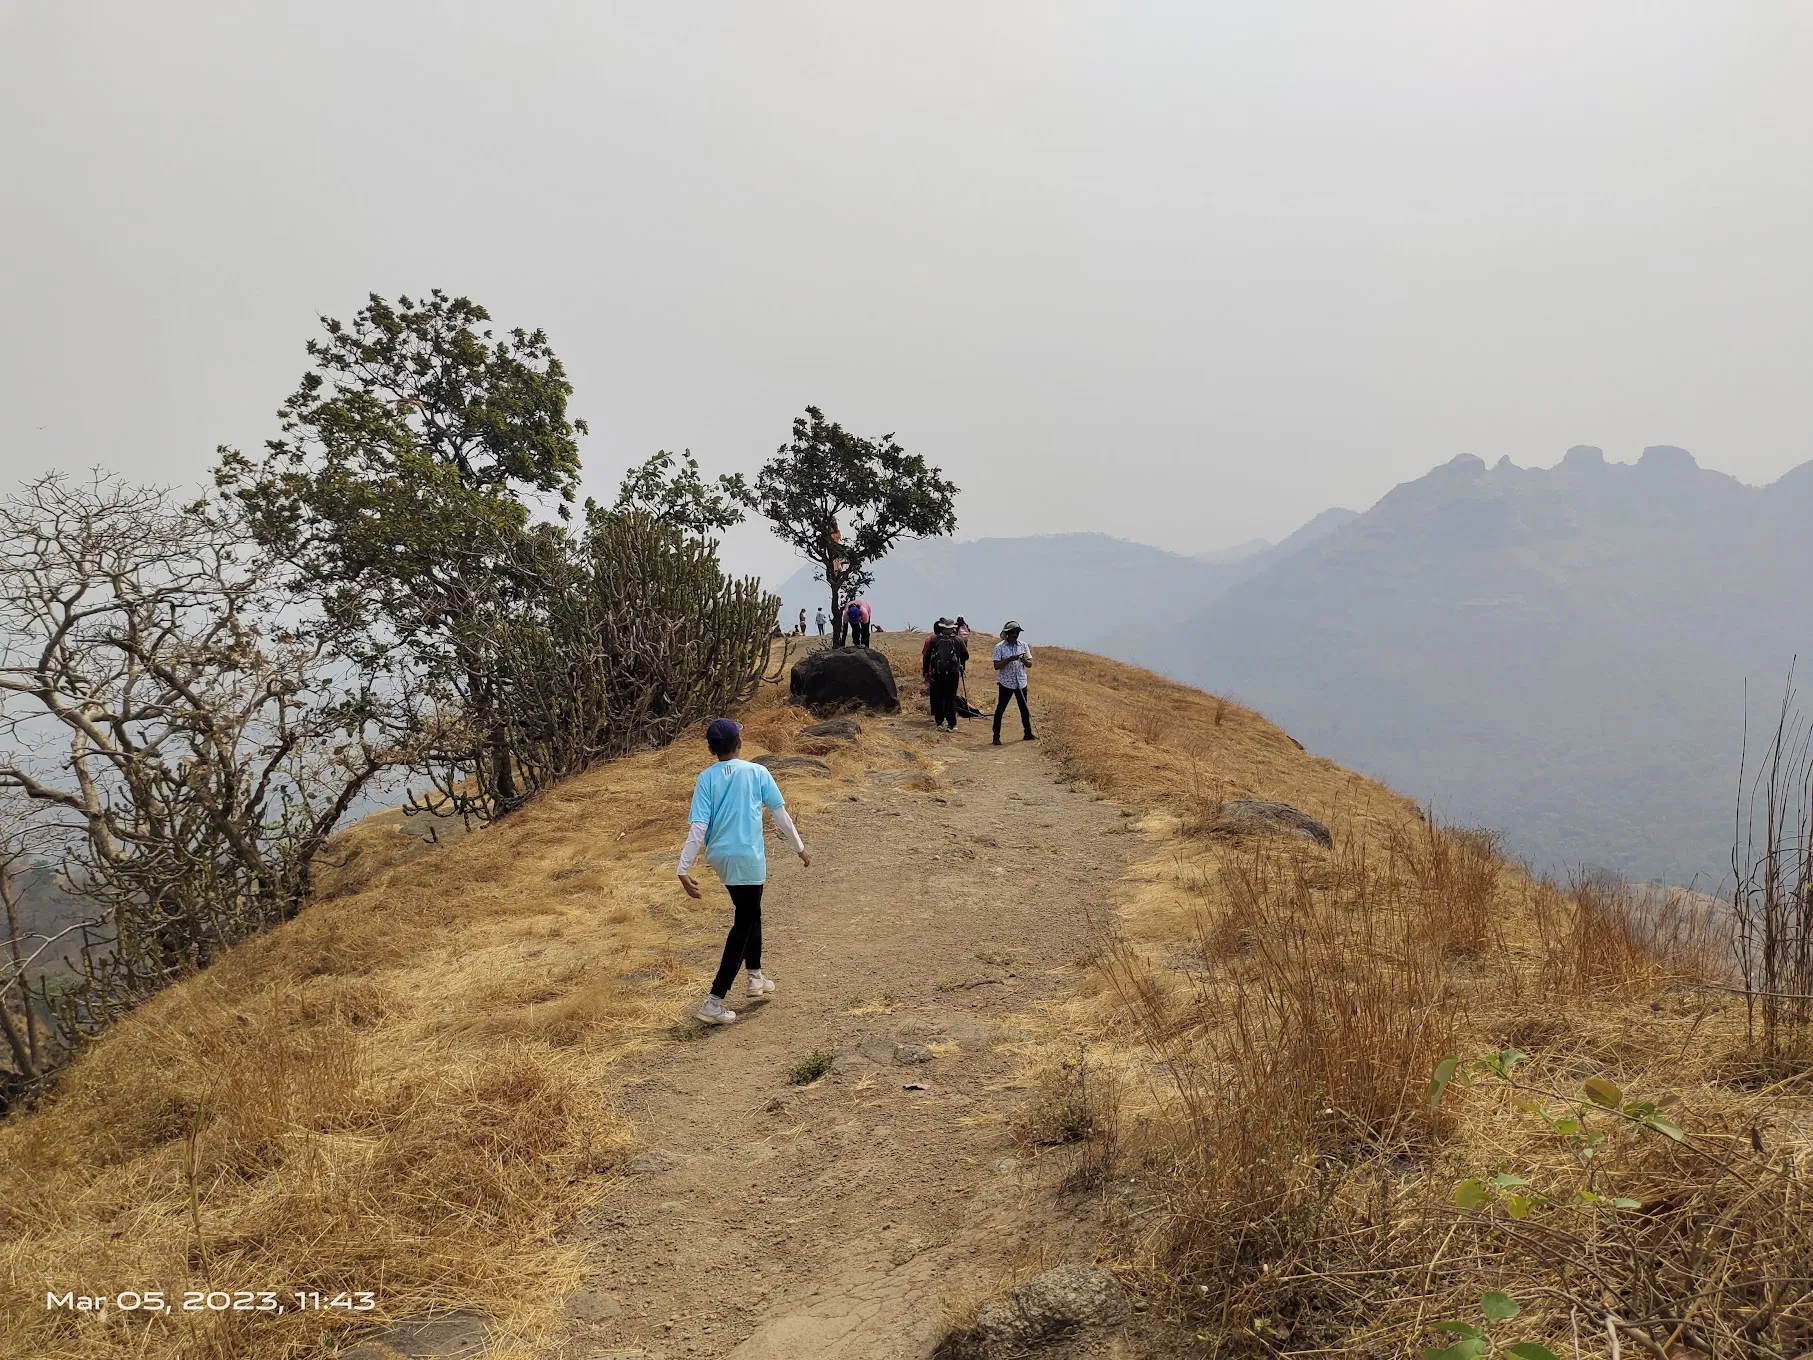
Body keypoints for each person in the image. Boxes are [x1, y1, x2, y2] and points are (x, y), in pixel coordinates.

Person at [677, 718, 811, 1025]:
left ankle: (755, 977)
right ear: (740, 743)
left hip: (721, 858)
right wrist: (800, 848)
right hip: (748, 857)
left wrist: (683, 868)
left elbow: (698, 827)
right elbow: (781, 815)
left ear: (711, 749)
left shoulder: (705, 778)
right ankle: (714, 1000)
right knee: (744, 922)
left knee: (750, 912)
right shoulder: (758, 772)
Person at [991, 620, 1035, 745]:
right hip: (1006, 683)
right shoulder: (999, 647)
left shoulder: (1023, 646)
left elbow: (1030, 664)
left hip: (1020, 682)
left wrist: (1024, 660)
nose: (1015, 635)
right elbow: (996, 666)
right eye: (1012, 632)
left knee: (1024, 708)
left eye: (1017, 632)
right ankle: (996, 736)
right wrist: (1009, 659)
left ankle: (1028, 733)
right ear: (1007, 634)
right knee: (1000, 709)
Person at [922, 619, 967, 730]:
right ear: (953, 628)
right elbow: (966, 655)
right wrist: (960, 664)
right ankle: (952, 724)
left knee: (938, 697)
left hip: (937, 673)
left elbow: (927, 656)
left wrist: (926, 672)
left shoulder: (933, 639)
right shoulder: (959, 640)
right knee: (950, 698)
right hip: (953, 673)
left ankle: (940, 722)